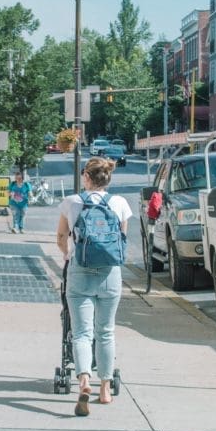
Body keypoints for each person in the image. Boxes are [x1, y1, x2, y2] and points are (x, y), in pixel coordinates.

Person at [56, 157, 132, 416]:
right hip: (110, 275)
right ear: (107, 178)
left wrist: (67, 254)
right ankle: (105, 389)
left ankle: (84, 381)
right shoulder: (120, 203)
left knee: (82, 333)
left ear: (86, 177)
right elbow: (121, 239)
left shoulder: (73, 202)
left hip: (80, 271)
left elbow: (61, 236)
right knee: (106, 331)